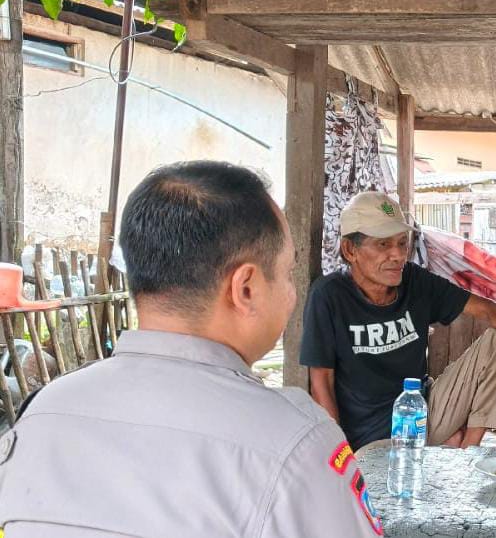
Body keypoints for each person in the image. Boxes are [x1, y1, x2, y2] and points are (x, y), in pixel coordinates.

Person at [0, 161, 382, 536]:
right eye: (287, 273)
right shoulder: (297, 442)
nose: (292, 292)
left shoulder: (40, 414)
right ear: (246, 288)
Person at [302, 191, 496, 452]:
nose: (398, 255)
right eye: (383, 244)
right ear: (350, 250)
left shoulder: (415, 281)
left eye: (402, 243)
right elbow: (321, 383)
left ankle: (468, 452)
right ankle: (448, 444)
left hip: (422, 418)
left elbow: (492, 311)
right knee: (439, 442)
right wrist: (340, 455)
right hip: (367, 442)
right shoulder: (329, 296)